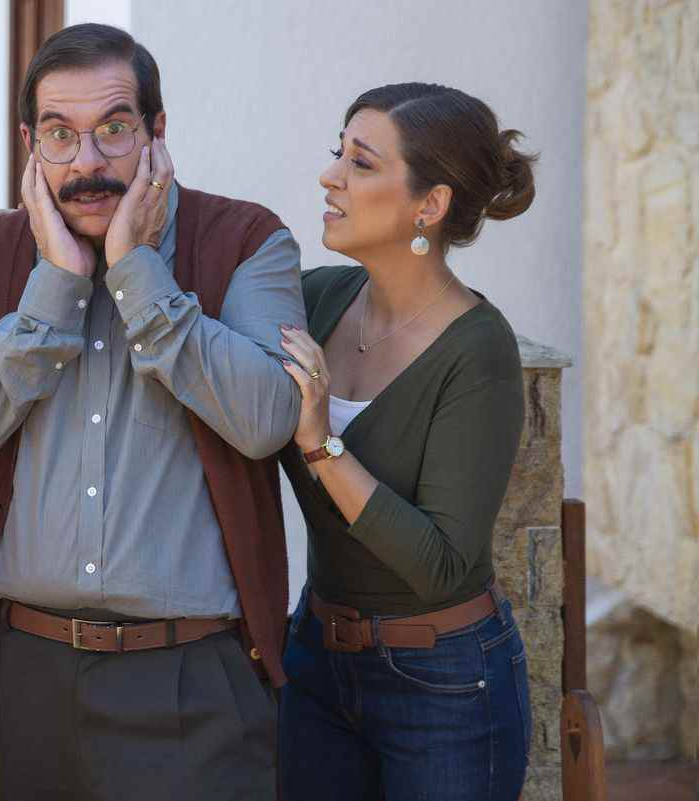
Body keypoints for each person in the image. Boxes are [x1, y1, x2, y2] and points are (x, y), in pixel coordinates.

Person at [0, 22, 305, 801]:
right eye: (60, 135)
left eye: (114, 130)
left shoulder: (250, 241)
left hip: (193, 678)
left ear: (157, 132)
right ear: (30, 144)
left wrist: (136, 270)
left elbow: (266, 417)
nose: (87, 162)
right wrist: (55, 288)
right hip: (29, 675)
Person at [275, 82, 537, 801]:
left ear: (430, 205)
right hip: (317, 663)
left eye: (361, 163)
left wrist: (322, 442)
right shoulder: (316, 298)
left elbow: (443, 562)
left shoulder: (478, 349)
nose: (331, 176)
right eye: (340, 154)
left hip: (445, 683)